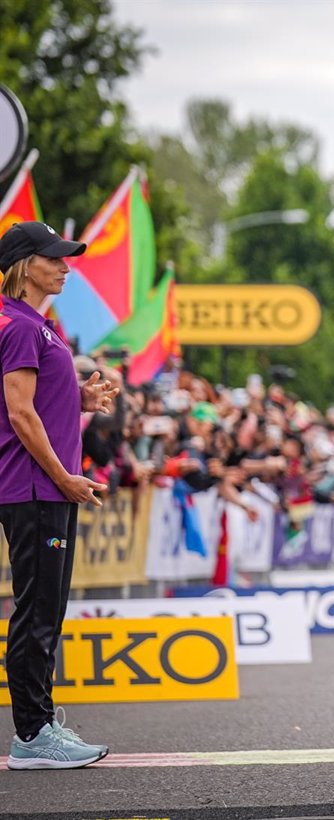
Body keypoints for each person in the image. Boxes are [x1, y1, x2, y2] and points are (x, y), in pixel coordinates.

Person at [0, 221, 119, 770]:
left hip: (43, 485)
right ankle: (32, 735)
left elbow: (35, 408)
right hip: (35, 487)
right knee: (38, 611)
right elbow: (19, 413)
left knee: (44, 608)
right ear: (26, 264)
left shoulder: (38, 325)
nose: (67, 266)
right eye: (56, 258)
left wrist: (80, 401)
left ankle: (39, 727)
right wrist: (65, 477)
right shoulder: (20, 326)